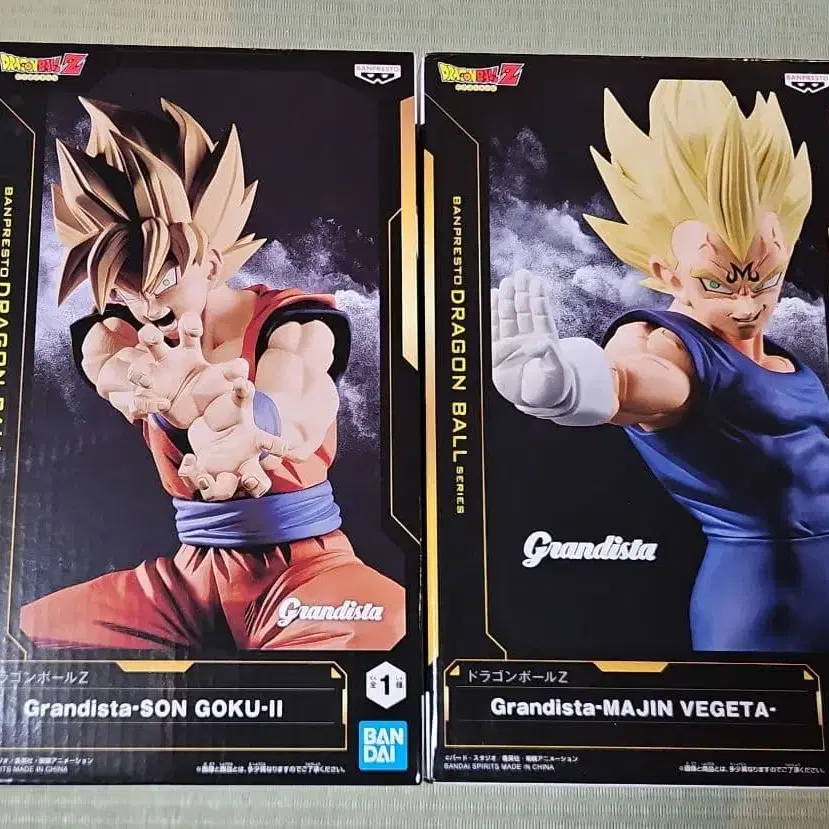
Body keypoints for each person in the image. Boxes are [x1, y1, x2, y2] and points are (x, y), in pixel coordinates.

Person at [21, 97, 404, 651]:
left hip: (307, 570)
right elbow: (121, 376)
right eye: (124, 289)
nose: (148, 305)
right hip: (187, 580)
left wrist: (253, 424)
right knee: (28, 635)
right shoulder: (114, 335)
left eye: (162, 278)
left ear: (210, 262)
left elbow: (301, 403)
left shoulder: (295, 322)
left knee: (376, 631)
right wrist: (178, 393)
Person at [491, 79, 829, 652]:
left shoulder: (774, 353)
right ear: (666, 273)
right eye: (718, 283)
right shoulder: (665, 344)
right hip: (763, 604)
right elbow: (637, 380)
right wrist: (569, 386)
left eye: (765, 278)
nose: (747, 304)